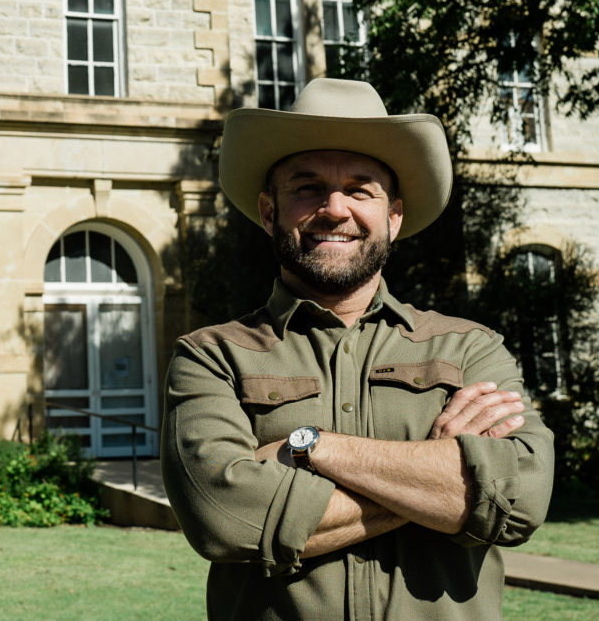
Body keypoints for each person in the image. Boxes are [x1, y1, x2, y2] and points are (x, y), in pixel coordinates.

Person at [161, 77, 554, 620]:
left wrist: (311, 446)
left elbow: (520, 498)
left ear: (393, 217)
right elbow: (225, 520)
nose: (334, 208)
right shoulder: (212, 356)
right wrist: (439, 479)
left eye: (360, 189)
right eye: (307, 187)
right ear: (270, 212)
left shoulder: (469, 349)